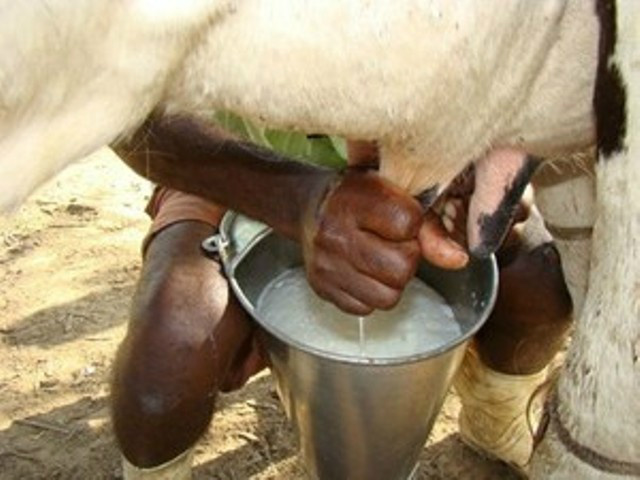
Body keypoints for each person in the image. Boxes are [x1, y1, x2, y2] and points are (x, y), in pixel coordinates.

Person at [111, 115, 572, 478]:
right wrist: (296, 200)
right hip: (224, 166)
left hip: (410, 163)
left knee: (540, 277)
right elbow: (124, 112)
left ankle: (495, 419)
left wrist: (475, 165)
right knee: (163, 373)